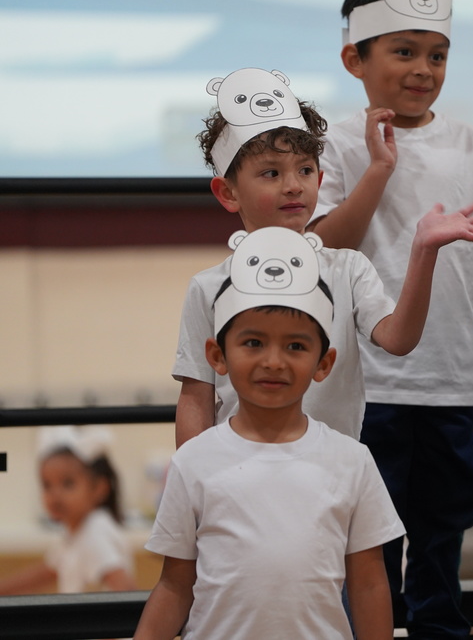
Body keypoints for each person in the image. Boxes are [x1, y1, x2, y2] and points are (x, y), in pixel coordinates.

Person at [306, 0, 473, 635]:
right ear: (355, 58)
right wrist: (379, 167)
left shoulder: (469, 143)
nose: (423, 68)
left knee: (442, 534)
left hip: (451, 380)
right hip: (368, 385)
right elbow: (325, 244)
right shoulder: (335, 142)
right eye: (403, 52)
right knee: (369, 538)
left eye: (437, 54)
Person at [173, 66, 473, 448]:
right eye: (271, 173)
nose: (293, 186)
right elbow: (196, 396)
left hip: (333, 472)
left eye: (305, 170)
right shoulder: (208, 287)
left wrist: (423, 250)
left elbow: (398, 339)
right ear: (228, 193)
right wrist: (191, 481)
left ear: (320, 181)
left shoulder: (347, 268)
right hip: (237, 472)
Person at [134, 227, 405, 640]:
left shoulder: (352, 461)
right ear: (217, 356)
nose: (274, 361)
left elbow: (369, 585)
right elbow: (175, 585)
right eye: (254, 342)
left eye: (296, 346)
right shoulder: (193, 462)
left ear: (324, 362)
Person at [0, 426, 135, 596]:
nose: (55, 495)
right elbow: (43, 573)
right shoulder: (74, 532)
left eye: (68, 483)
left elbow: (126, 590)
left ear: (99, 488)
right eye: (47, 485)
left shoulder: (95, 532)